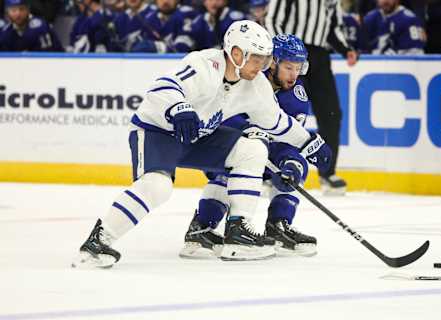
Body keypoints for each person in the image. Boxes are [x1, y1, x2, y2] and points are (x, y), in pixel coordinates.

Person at [72, 20, 332, 267]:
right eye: (256, 58)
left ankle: (238, 231)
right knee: (158, 187)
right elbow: (162, 87)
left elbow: (277, 122)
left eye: (264, 60)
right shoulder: (205, 64)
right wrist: (179, 108)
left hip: (200, 136)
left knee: (252, 150)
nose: (261, 66)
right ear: (237, 53)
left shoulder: (255, 86)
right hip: (158, 131)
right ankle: (98, 241)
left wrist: (310, 141)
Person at [180, 34, 319, 259]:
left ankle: (278, 225)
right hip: (234, 149)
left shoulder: (297, 97)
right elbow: (221, 121)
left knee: (297, 164)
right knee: (237, 159)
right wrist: (250, 134)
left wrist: (288, 162)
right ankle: (202, 228)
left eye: (298, 68)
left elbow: (290, 140)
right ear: (272, 62)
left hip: (267, 154)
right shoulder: (246, 79)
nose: (294, 76)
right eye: (289, 67)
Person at [266, 0, 358, 196]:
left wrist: (345, 49)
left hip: (318, 58)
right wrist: (278, 53)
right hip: (288, 56)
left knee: (331, 114)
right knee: (279, 111)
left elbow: (333, 26)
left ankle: (327, 172)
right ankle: (268, 171)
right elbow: (272, 20)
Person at [174, 0, 245, 52]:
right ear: (204, 2)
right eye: (210, 0)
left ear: (225, 1)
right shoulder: (200, 20)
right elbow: (186, 38)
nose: (214, 3)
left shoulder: (236, 19)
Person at [130, 0, 198, 53]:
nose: (165, 1)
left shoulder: (186, 13)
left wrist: (158, 47)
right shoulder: (150, 18)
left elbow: (183, 48)